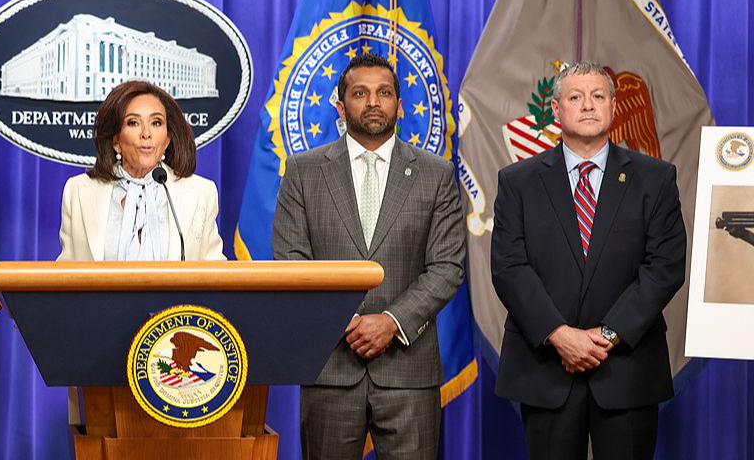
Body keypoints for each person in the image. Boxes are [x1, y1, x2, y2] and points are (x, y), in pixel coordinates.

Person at [272, 53, 465, 460]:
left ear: (399, 104)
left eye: (384, 93)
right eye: (360, 93)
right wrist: (344, 322)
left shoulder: (436, 173)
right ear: (341, 107)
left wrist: (391, 322)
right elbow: (291, 261)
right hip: (331, 368)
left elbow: (446, 266)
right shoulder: (304, 171)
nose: (373, 102)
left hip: (408, 371)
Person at [490, 61, 686, 460]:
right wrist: (560, 335)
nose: (588, 105)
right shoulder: (518, 181)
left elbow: (664, 266)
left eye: (598, 96)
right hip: (546, 370)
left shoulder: (656, 178)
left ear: (614, 107)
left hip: (627, 371)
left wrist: (607, 336)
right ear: (556, 110)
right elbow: (509, 268)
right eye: (575, 97)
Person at [58, 80, 225, 262]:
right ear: (116, 141)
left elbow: (215, 273)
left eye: (156, 122)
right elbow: (66, 274)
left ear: (167, 139)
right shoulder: (78, 191)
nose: (146, 133)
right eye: (133, 123)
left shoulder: (201, 193)